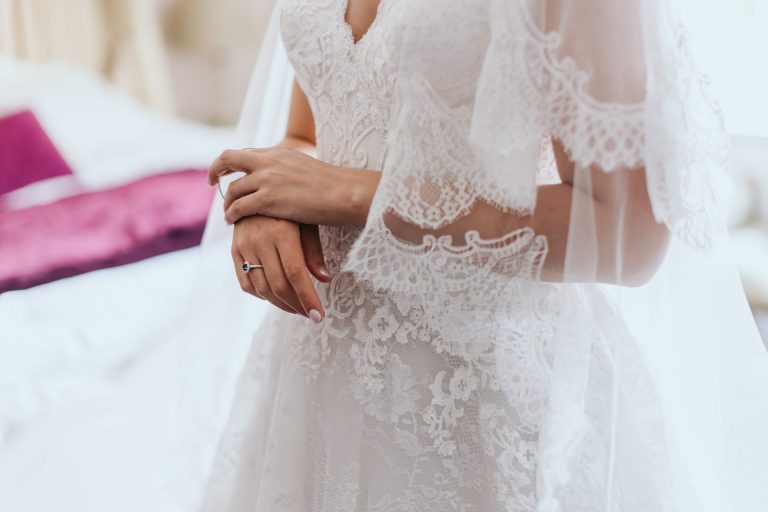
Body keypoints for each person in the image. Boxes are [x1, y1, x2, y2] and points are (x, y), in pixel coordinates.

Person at [199, 0, 768, 510]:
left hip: (479, 406)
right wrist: (267, 203)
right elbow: (308, 130)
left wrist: (352, 194)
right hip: (313, 368)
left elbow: (632, 235)